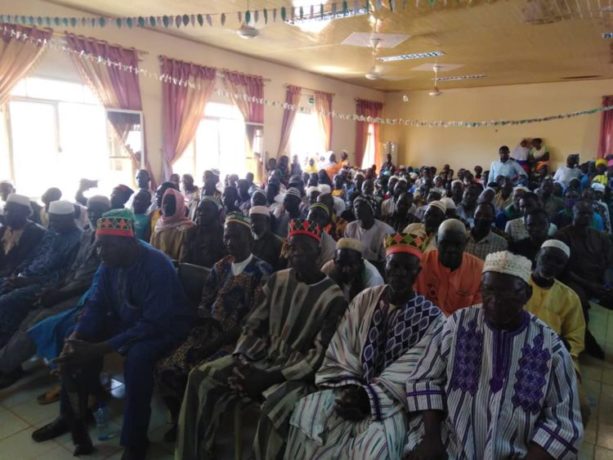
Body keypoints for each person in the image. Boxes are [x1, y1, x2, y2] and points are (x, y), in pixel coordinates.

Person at [175, 219, 347, 460]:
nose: (296, 254)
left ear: (318, 252)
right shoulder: (277, 280)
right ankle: (191, 453)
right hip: (259, 356)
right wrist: (242, 359)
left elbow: (318, 357)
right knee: (201, 377)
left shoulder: (333, 297)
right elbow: (253, 324)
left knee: (272, 412)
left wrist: (268, 377)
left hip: (295, 374)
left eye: (304, 248)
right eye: (292, 247)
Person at [32, 210, 193, 460]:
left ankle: (135, 441)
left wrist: (100, 348)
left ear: (128, 243)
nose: (101, 252)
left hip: (166, 328)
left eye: (107, 246)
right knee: (75, 344)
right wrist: (77, 337)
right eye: (99, 245)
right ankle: (71, 418)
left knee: (138, 359)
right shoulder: (109, 262)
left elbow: (154, 323)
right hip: (129, 321)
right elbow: (96, 304)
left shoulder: (156, 265)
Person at [405, 251, 583, 459]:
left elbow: (564, 423)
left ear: (527, 294)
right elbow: (425, 379)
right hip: (450, 443)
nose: (496, 301)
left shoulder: (550, 347)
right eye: (488, 290)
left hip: (516, 452)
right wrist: (432, 439)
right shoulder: (458, 324)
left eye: (509, 293)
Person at [287, 233, 444, 459]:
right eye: (394, 266)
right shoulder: (365, 299)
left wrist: (369, 396)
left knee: (373, 448)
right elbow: (343, 345)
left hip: (392, 403)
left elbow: (415, 370)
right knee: (307, 415)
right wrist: (351, 389)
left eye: (407, 268)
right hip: (348, 386)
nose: (400, 273)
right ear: (385, 266)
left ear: (417, 272)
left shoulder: (432, 318)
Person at [155, 213, 272, 442]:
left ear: (249, 238)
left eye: (236, 237)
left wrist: (213, 344)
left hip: (239, 342)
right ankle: (180, 420)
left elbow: (252, 320)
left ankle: (201, 429)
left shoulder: (262, 272)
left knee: (199, 375)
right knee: (165, 368)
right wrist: (201, 331)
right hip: (209, 333)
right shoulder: (221, 266)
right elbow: (205, 302)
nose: (229, 242)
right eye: (226, 237)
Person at [0, 196, 110, 389]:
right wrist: (56, 290)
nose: (94, 215)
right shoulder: (87, 235)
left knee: (38, 321)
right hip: (65, 288)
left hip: (86, 295)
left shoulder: (108, 240)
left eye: (99, 210)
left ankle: (6, 367)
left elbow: (91, 280)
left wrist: (59, 293)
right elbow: (71, 271)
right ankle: (6, 363)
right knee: (31, 317)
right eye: (91, 210)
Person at [0, 200, 82, 350]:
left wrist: (28, 281)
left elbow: (64, 274)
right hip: (25, 276)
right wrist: (18, 274)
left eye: (57, 220)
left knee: (7, 301)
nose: (53, 224)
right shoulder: (51, 232)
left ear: (70, 218)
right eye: (51, 220)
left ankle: (5, 345)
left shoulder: (78, 240)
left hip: (45, 285)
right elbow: (33, 256)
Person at [557, 200, 613, 358]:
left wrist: (607, 283)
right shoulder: (562, 235)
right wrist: (590, 285)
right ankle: (584, 338)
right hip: (574, 280)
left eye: (589, 214)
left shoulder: (600, 237)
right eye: (582, 213)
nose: (586, 217)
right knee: (578, 300)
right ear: (573, 214)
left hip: (599, 280)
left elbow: (609, 263)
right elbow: (564, 269)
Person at [415, 219, 483, 316]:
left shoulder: (480, 270)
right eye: (445, 243)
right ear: (437, 240)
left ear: (466, 242)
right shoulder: (420, 262)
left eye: (457, 244)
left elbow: (476, 313)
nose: (451, 249)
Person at [0, 194, 46, 278]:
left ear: (26, 213)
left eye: (13, 211)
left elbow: (26, 260)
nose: (7, 214)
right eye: (6, 210)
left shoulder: (36, 232)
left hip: (17, 276)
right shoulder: (3, 230)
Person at [344, 197, 395, 271]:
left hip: (376, 270)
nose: (358, 209)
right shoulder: (350, 227)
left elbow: (386, 261)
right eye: (356, 206)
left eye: (362, 206)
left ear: (372, 210)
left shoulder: (387, 231)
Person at [150, 188, 195, 261]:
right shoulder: (159, 223)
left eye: (171, 203)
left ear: (179, 205)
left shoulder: (187, 228)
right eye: (165, 202)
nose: (166, 206)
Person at [181, 197, 226, 268]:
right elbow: (184, 260)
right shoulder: (191, 232)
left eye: (207, 210)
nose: (201, 213)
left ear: (216, 213)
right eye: (199, 210)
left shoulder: (223, 235)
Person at [307, 203, 336, 267]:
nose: (316, 220)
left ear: (326, 223)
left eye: (321, 217)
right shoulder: (298, 234)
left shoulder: (330, 245)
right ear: (306, 217)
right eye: (313, 215)